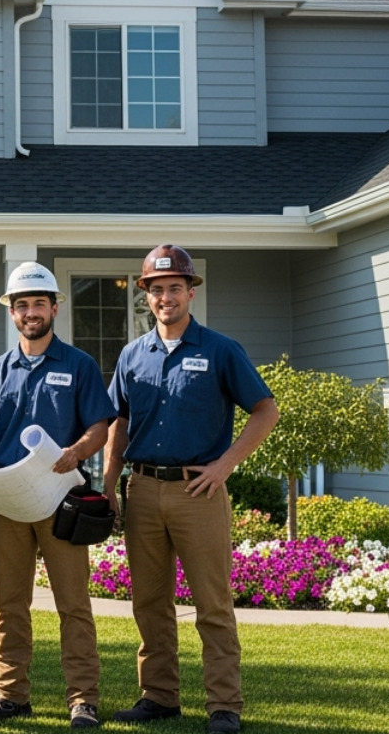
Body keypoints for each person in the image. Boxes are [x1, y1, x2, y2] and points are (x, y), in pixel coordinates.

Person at [103, 245, 279, 734]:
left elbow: (265, 410)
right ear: (147, 296)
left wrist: (223, 467)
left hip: (198, 493)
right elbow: (119, 420)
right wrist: (109, 483)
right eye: (156, 290)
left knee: (213, 603)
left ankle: (224, 705)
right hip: (142, 490)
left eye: (174, 288)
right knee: (149, 602)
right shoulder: (132, 354)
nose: (165, 297)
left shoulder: (220, 350)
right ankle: (158, 696)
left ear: (190, 291)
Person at [0, 262, 116, 728]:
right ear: (12, 312)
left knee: (73, 604)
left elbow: (100, 426)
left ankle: (83, 699)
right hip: (8, 503)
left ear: (54, 308)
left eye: (38, 304)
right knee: (10, 604)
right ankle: (10, 695)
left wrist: (77, 451)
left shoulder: (79, 365)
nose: (30, 312)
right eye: (21, 305)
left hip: (59, 500)